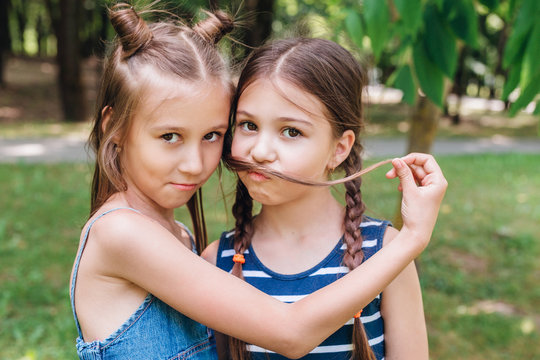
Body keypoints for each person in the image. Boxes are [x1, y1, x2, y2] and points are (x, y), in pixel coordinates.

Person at [70, 4, 447, 360]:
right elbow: (290, 331)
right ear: (113, 129)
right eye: (170, 136)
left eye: (213, 135)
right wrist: (413, 238)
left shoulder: (179, 236)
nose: (194, 164)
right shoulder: (125, 233)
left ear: (340, 148)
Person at [204, 38, 444, 360]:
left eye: (291, 131)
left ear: (339, 148)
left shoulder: (385, 254)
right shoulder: (217, 262)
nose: (259, 151)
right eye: (248, 125)